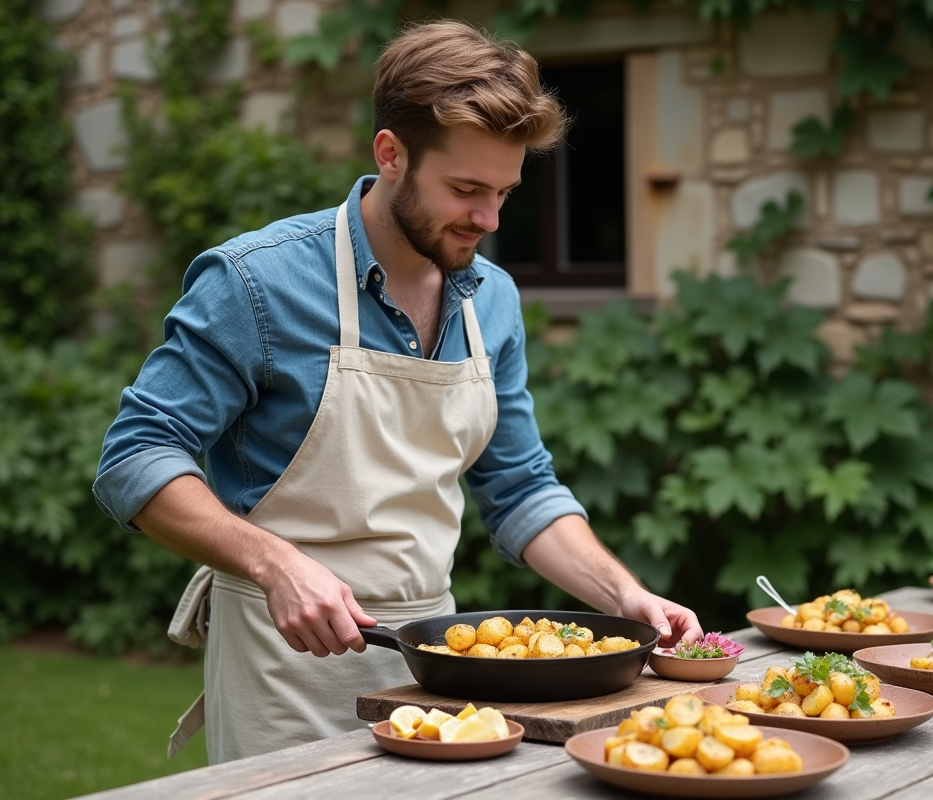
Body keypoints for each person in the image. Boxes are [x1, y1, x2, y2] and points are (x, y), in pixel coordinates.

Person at [93, 19, 702, 764]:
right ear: (391, 154)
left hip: (440, 672)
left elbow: (518, 487)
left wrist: (621, 595)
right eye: (467, 189)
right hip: (286, 677)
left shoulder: (494, 301)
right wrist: (274, 563)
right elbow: (135, 456)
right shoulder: (257, 283)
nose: (489, 219)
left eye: (506, 192)